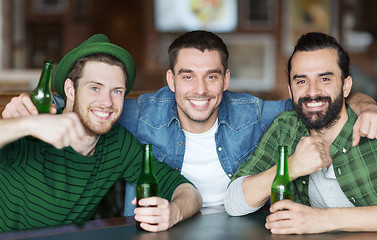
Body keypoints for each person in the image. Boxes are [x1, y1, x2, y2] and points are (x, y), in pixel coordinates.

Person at [2, 31, 377, 216]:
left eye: (212, 77)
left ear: (226, 80)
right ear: (170, 80)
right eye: (187, 76)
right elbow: (92, 106)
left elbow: (313, 104)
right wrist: (31, 111)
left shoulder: (256, 113)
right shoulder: (136, 112)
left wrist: (366, 103)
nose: (200, 89)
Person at [0, 34, 202, 232]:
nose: (107, 102)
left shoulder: (118, 143)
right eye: (95, 88)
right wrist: (26, 125)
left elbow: (188, 191)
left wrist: (174, 211)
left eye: (116, 91)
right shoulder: (32, 131)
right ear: (70, 90)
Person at [224, 32, 377, 234]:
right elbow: (234, 202)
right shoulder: (285, 127)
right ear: (290, 90)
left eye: (324, 79)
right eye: (301, 81)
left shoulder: (371, 127)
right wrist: (291, 167)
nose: (312, 92)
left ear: (345, 86)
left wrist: (322, 219)